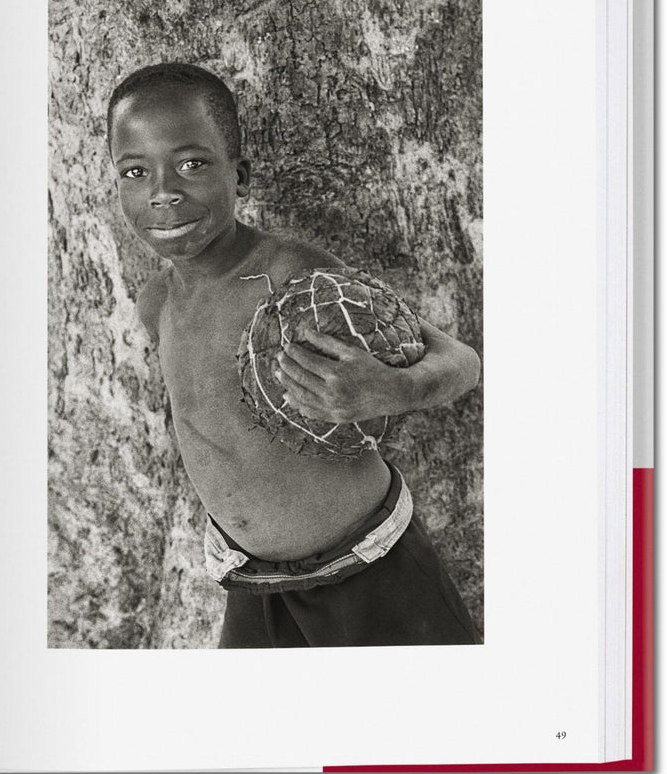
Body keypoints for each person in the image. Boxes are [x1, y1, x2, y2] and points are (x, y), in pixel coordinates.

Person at [108, 62, 480, 647]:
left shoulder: (291, 276)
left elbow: (460, 360)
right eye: (135, 171)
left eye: (192, 164)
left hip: (368, 569)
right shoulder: (157, 302)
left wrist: (392, 387)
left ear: (241, 175)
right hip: (252, 582)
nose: (164, 192)